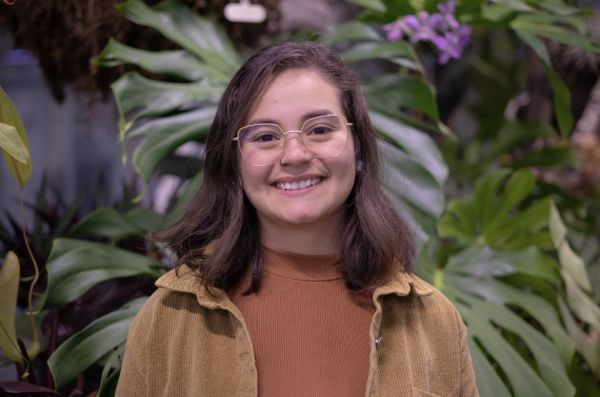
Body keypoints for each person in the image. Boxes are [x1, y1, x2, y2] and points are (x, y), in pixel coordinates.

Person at [115, 41, 479, 397]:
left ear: (358, 146)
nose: (294, 154)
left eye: (320, 129)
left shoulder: (433, 321)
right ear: (234, 162)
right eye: (266, 136)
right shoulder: (170, 316)